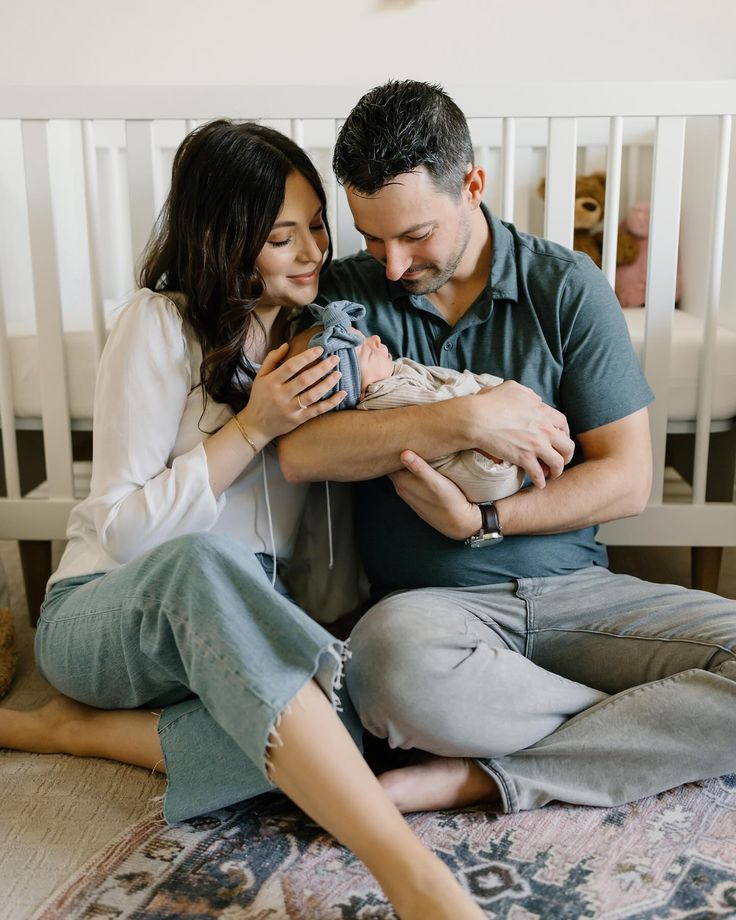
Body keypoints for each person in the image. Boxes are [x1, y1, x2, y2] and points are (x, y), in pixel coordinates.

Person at [0, 119, 490, 920]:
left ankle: (76, 733)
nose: (313, 253)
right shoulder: (157, 324)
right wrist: (252, 429)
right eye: (281, 236)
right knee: (207, 565)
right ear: (227, 241)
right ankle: (414, 881)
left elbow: (319, 541)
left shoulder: (317, 334)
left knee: (341, 712)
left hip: (231, 624)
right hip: (109, 607)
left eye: (317, 228)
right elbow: (123, 530)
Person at [278, 79, 736, 815]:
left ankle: (484, 774)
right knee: (383, 669)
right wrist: (467, 419)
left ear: (474, 187)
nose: (392, 263)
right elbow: (305, 451)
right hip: (429, 619)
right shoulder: (345, 298)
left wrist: (484, 522)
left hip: (580, 599)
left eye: (415, 234)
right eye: (373, 237)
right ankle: (645, 724)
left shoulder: (565, 285)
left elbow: (627, 480)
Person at [288, 298, 525, 502]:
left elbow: (442, 378)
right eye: (368, 352)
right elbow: (444, 399)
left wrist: (492, 390)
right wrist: (489, 399)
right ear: (356, 391)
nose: (377, 340)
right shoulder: (383, 396)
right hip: (482, 474)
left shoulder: (395, 371)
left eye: (367, 338)